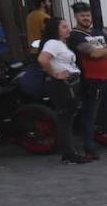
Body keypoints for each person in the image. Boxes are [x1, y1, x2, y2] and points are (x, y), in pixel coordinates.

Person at [67, 2, 107, 158]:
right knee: (90, 115)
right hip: (91, 80)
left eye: (87, 15)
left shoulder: (99, 32)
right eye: (82, 15)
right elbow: (92, 54)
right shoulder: (75, 35)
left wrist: (104, 51)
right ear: (76, 17)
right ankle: (89, 149)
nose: (85, 18)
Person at [37, 17, 88, 164]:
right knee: (65, 119)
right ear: (56, 29)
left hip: (70, 82)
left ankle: (69, 152)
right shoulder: (52, 43)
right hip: (63, 85)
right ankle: (69, 153)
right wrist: (55, 73)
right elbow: (43, 59)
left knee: (68, 118)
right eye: (64, 27)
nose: (68, 29)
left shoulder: (61, 44)